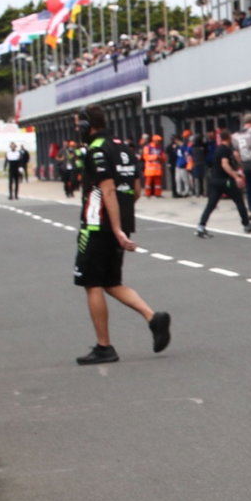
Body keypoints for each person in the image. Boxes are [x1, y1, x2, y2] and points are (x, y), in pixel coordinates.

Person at [71, 106, 169, 365]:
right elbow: (136, 189)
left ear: (86, 126)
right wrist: (122, 221)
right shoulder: (124, 147)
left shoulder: (96, 150)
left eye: (77, 125)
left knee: (91, 283)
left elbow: (108, 190)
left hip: (97, 225)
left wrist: (114, 228)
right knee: (111, 281)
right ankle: (153, 317)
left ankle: (104, 347)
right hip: (120, 220)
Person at [194, 128, 251, 238]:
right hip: (225, 181)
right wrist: (235, 176)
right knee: (239, 201)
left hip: (215, 180)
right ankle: (246, 224)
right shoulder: (225, 150)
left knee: (211, 204)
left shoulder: (219, 149)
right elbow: (224, 165)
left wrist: (235, 172)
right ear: (229, 138)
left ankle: (201, 226)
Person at [142, 134, 166, 198]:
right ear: (154, 140)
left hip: (157, 169)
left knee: (158, 183)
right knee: (148, 183)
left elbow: (164, 158)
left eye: (159, 141)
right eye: (157, 141)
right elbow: (145, 157)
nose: (158, 142)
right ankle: (148, 194)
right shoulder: (147, 147)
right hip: (149, 169)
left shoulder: (160, 148)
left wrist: (161, 157)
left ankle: (158, 194)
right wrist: (155, 156)